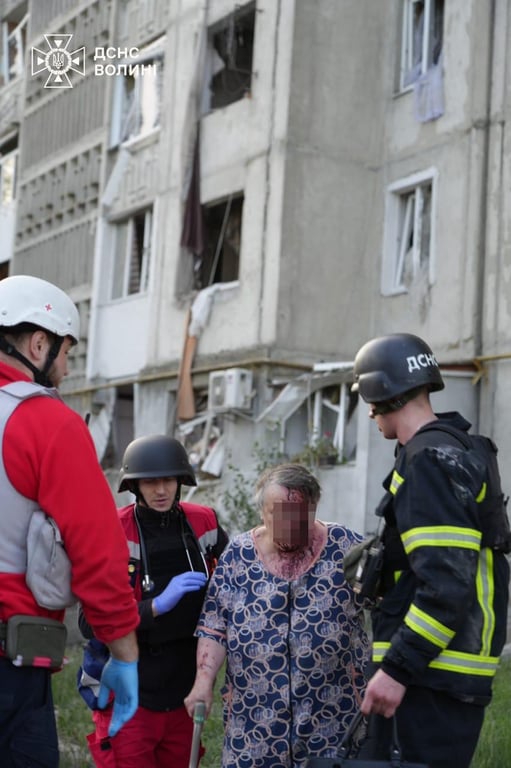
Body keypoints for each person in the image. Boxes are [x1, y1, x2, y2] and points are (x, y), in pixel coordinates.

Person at [352, 332, 510, 768]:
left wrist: (397, 670)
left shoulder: (429, 461)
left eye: (368, 399)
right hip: (441, 675)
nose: (369, 412)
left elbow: (446, 584)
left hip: (428, 679)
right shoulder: (453, 450)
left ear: (382, 393)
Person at [0, 274, 140, 768]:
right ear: (38, 344)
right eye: (66, 354)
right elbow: (98, 555)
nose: (64, 369)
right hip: (10, 673)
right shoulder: (46, 421)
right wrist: (124, 654)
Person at [184, 462, 370, 768]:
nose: (291, 525)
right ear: (262, 512)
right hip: (254, 726)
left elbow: (386, 605)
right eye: (279, 514)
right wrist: (203, 682)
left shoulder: (346, 547)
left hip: (332, 719)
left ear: (314, 508)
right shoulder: (238, 555)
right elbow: (214, 627)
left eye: (300, 514)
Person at [78, 433, 229, 768]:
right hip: (129, 688)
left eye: (168, 480)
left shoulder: (204, 522)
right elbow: (89, 623)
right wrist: (156, 606)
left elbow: (235, 587)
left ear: (181, 481)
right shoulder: (113, 530)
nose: (161, 490)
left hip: (184, 686)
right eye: (150, 482)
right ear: (134, 485)